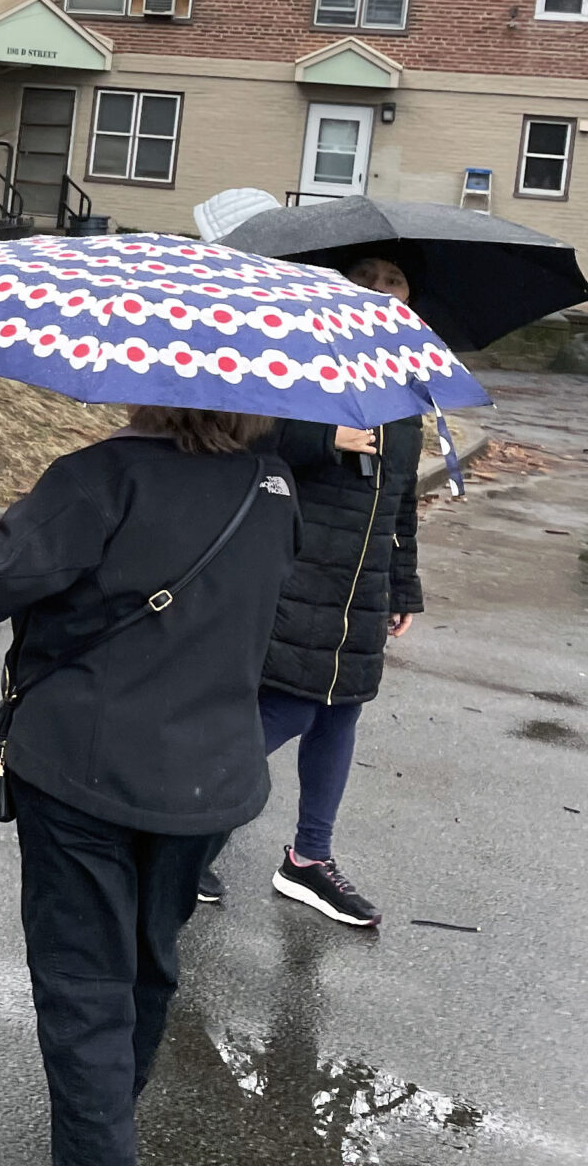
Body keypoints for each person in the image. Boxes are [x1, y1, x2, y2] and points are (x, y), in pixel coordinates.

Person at [0, 408, 299, 1166]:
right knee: (148, 969)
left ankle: (98, 1141)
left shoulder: (102, 476)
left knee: (86, 991)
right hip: (213, 779)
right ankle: (104, 1125)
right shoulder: (274, 484)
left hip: (85, 771)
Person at [197, 253, 424, 927]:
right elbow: (243, 443)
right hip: (295, 568)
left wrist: (403, 582)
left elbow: (403, 499)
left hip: (361, 586)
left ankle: (308, 860)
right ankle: (185, 832)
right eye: (368, 278)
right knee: (289, 709)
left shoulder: (407, 384)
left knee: (340, 713)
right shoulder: (295, 359)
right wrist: (325, 438)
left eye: (395, 283)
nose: (381, 293)